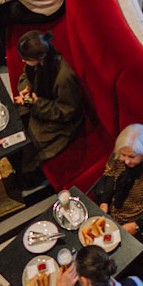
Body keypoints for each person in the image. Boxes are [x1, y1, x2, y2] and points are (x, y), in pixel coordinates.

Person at [14, 31, 88, 194]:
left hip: (60, 121)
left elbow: (66, 112)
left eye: (26, 59)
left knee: (32, 141)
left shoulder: (64, 77)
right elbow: (26, 75)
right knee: (13, 118)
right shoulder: (40, 60)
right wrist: (26, 90)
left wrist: (35, 102)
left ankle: (31, 175)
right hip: (40, 103)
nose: (22, 61)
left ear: (40, 58)